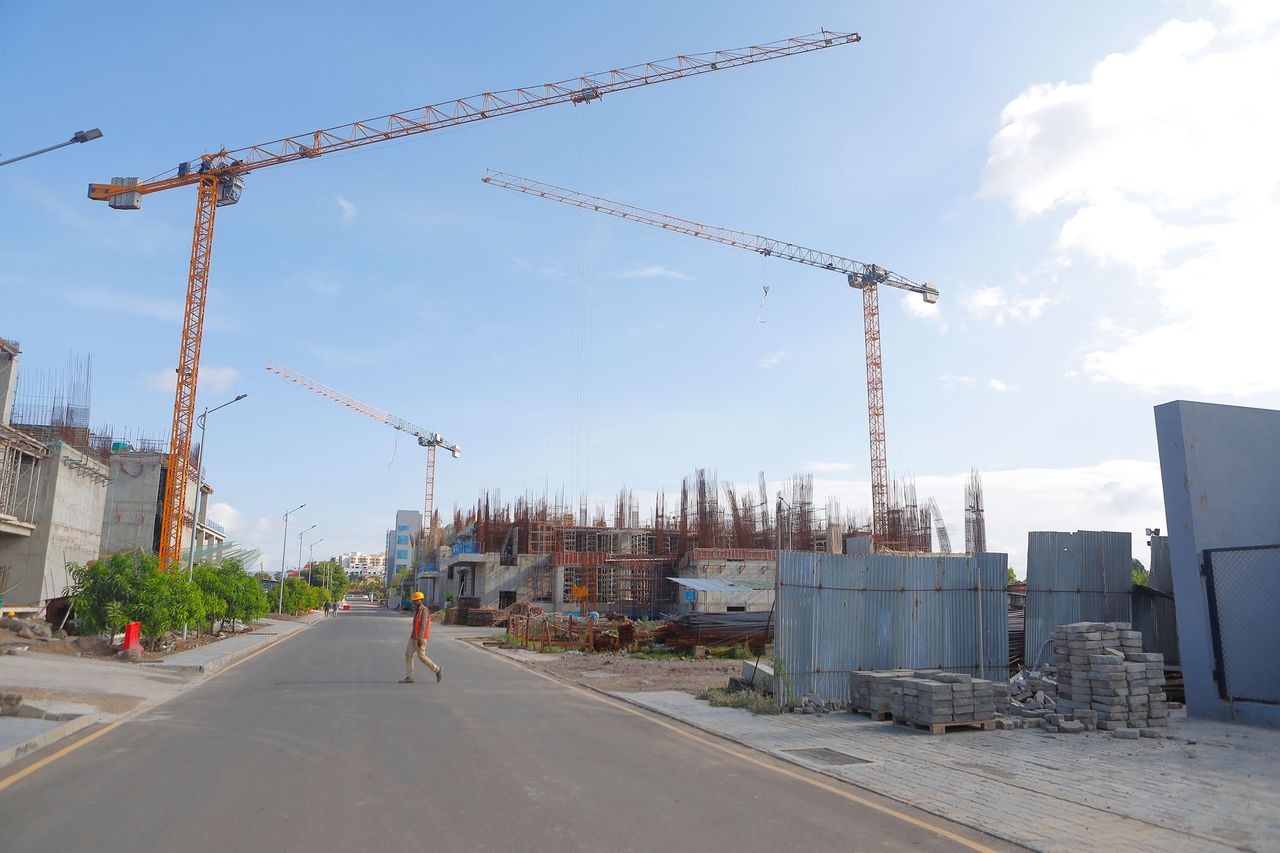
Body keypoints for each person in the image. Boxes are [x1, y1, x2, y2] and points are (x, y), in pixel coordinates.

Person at [400, 591, 441, 684]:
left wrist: (420, 638)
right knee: (408, 654)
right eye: (414, 600)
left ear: (420, 600)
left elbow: (424, 625)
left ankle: (437, 669)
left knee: (421, 656)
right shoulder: (418, 610)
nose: (414, 602)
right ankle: (409, 677)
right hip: (413, 636)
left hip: (420, 638)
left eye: (416, 600)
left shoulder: (424, 610)